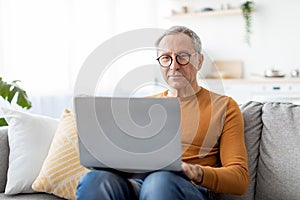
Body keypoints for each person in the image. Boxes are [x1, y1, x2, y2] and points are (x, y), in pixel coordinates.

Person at [76, 26, 249, 200]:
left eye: (182, 56)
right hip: (138, 185)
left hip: (188, 188)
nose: (174, 66)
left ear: (199, 61)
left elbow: (239, 179)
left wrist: (197, 172)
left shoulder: (224, 106)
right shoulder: (143, 106)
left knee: (159, 181)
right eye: (166, 58)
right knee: (96, 179)